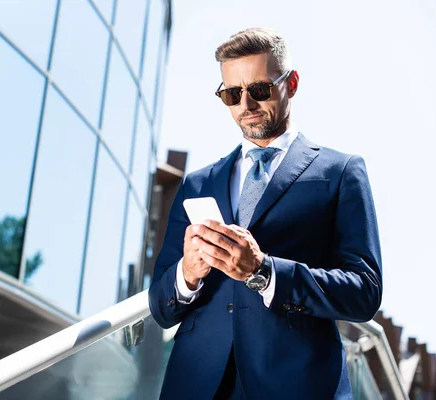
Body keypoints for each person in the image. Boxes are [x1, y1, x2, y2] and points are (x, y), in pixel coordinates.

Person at [148, 28, 382, 399]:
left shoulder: (341, 172)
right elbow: (160, 307)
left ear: (292, 83)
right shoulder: (197, 183)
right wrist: (187, 275)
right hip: (196, 384)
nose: (246, 104)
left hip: (297, 384)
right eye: (231, 94)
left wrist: (263, 271)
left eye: (259, 90)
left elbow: (365, 291)